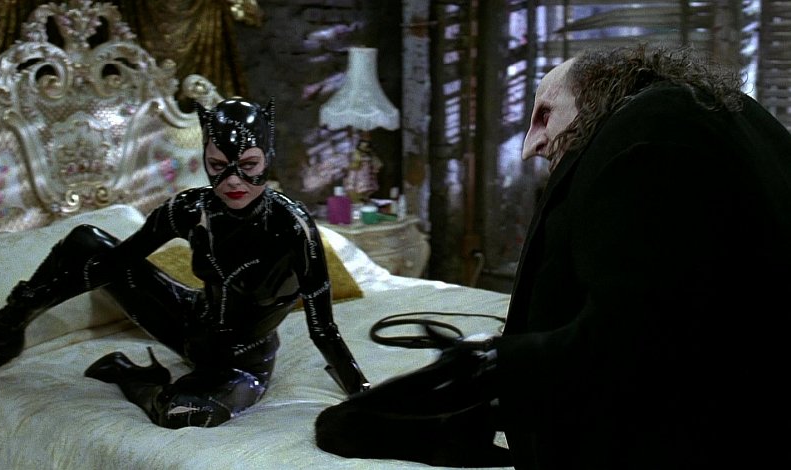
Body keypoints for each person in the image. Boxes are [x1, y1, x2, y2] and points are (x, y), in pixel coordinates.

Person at [315, 44, 791, 469]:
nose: (530, 147)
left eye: (545, 114)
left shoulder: (655, 125)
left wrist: (486, 367)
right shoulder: (723, 114)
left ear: (599, 90)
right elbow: (684, 301)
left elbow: (632, 340)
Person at [0, 97, 370, 428]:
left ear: (268, 156)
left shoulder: (294, 228)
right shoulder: (189, 209)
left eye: (248, 166)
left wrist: (362, 396)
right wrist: (29, 302)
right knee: (86, 241)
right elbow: (110, 265)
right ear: (204, 158)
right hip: (189, 323)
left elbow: (323, 328)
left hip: (240, 362)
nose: (233, 181)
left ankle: (134, 378)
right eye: (217, 166)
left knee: (182, 413)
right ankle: (2, 332)